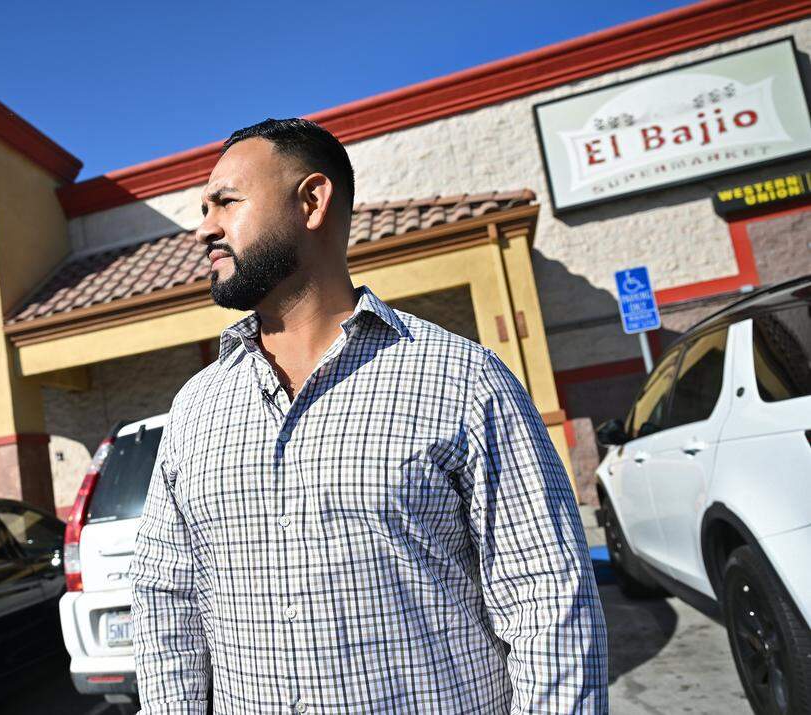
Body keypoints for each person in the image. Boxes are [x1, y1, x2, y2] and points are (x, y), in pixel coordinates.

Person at [130, 117, 608, 714]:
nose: (205, 228)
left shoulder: (463, 381)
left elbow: (549, 603)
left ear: (312, 201)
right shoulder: (196, 409)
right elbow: (166, 597)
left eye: (225, 202)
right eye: (204, 209)